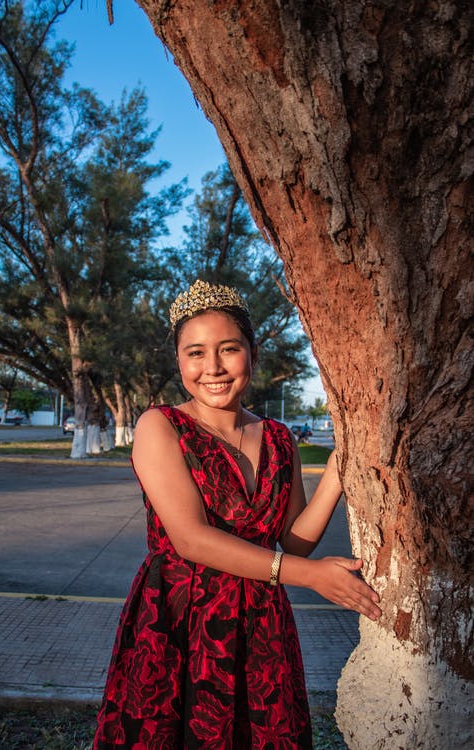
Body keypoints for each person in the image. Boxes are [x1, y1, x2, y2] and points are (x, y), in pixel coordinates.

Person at [93, 279, 381, 749]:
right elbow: (190, 539)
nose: (213, 368)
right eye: (195, 353)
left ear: (252, 353)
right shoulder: (160, 426)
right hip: (180, 619)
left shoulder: (280, 437)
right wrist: (311, 577)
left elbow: (292, 540)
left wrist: (336, 474)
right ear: (179, 361)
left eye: (228, 349)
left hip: (261, 621)